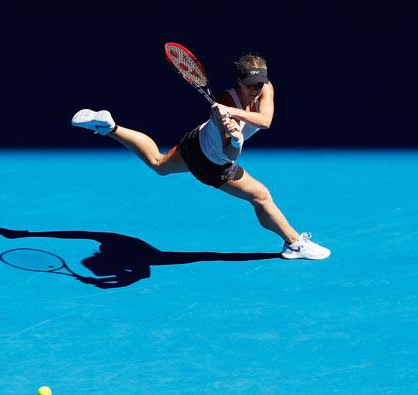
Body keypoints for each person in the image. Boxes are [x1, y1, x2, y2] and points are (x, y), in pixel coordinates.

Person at [71, 52, 330, 260]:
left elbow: (265, 120)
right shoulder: (224, 106)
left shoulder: (264, 89)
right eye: (251, 85)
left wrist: (232, 114)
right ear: (239, 82)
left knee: (158, 163)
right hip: (210, 163)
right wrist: (234, 134)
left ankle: (110, 128)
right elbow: (230, 153)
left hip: (196, 140)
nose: (256, 90)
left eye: (260, 84)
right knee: (260, 196)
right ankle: (294, 244)